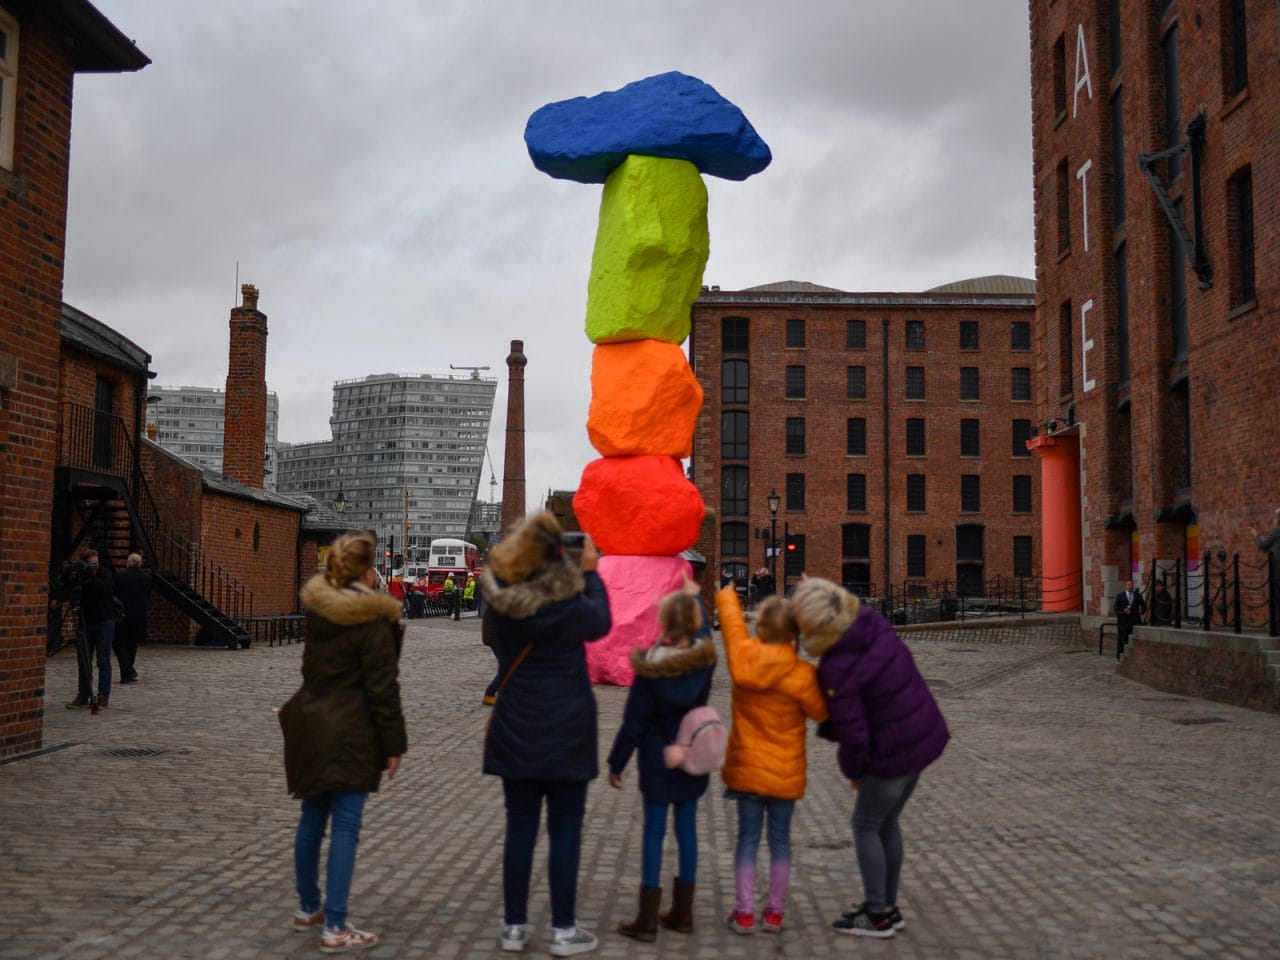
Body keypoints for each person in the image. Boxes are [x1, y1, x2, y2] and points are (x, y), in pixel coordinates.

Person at [479, 512, 611, 956]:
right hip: (567, 723)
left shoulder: (506, 602)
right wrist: (589, 572)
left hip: (517, 721)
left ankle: (514, 926)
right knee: (566, 830)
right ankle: (563, 929)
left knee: (519, 827)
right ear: (557, 552)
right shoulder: (570, 600)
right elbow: (601, 622)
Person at [790, 577, 949, 939]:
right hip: (920, 739)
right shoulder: (871, 623)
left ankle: (876, 915)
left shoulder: (837, 665)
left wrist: (855, 771)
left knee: (865, 825)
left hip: (890, 751)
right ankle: (888, 908)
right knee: (886, 824)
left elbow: (853, 732)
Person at [278, 531, 407, 953]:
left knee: (312, 819)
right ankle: (335, 925)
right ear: (369, 571)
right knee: (346, 828)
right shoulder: (371, 621)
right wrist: (394, 743)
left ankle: (308, 907)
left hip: (312, 725)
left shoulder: (319, 613)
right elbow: (383, 689)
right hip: (352, 730)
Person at [715, 585, 827, 935]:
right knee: (780, 842)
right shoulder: (802, 675)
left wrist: (728, 595)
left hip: (748, 771)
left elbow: (733, 628)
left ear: (760, 627)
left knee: (747, 839)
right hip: (784, 774)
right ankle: (775, 913)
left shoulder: (743, 657)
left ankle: (745, 912)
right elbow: (822, 712)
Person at [608, 587, 717, 943]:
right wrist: (694, 598)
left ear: (665, 622)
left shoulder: (652, 665)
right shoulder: (705, 662)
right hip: (691, 752)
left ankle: (647, 917)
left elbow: (635, 721)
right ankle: (683, 912)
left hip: (657, 755)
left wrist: (617, 761)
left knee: (654, 832)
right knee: (686, 830)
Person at [66, 549, 116, 710]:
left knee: (103, 660)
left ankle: (103, 695)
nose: (93, 566)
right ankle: (83, 694)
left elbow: (105, 590)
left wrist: (91, 577)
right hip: (85, 621)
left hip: (104, 621)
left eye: (95, 563)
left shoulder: (105, 574)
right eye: (90, 564)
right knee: (84, 661)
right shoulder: (80, 576)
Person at [114, 553, 151, 684]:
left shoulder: (120, 577)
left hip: (123, 614)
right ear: (139, 564)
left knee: (118, 642)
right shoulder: (146, 578)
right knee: (132, 643)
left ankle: (128, 670)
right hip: (139, 615)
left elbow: (115, 595)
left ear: (128, 563)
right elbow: (148, 596)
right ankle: (127, 673)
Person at [1113, 579, 1146, 659]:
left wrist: (1140, 612)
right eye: (1128, 585)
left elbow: (1144, 606)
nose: (1130, 587)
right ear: (1126, 586)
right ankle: (1120, 657)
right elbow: (1116, 608)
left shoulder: (1137, 595)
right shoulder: (1120, 595)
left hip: (1134, 621)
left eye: (1131, 585)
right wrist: (1123, 611)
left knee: (1133, 639)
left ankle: (1133, 656)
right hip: (1123, 622)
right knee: (1123, 640)